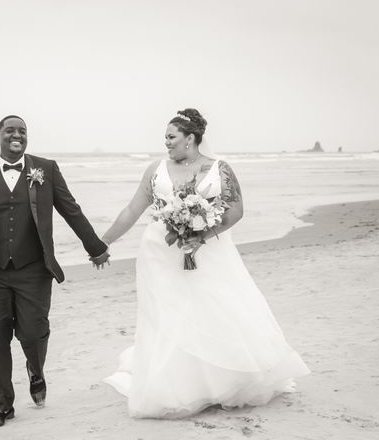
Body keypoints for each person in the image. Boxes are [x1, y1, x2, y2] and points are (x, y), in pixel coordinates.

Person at [102, 108, 310, 418]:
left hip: (209, 252)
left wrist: (202, 235)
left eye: (171, 137)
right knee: (166, 316)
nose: (167, 143)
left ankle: (221, 381)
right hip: (159, 254)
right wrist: (102, 242)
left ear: (191, 138)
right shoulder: (155, 170)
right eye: (165, 138)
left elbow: (235, 211)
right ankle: (175, 384)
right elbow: (132, 211)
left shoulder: (219, 169)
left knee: (213, 308)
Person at [0, 115, 110, 429]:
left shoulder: (47, 169)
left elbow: (71, 209)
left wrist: (95, 247)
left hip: (33, 270)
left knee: (33, 332)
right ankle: (4, 404)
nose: (17, 135)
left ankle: (36, 368)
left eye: (22, 131)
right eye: (10, 130)